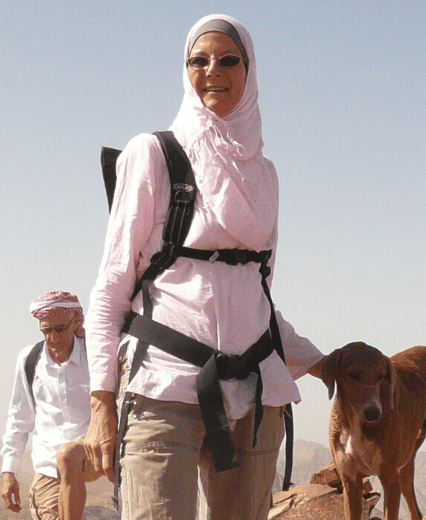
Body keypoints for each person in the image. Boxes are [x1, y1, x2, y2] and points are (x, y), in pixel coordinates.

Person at [82, 14, 325, 520]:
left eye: (227, 59)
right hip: (162, 386)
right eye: (199, 59)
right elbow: (110, 291)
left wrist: (324, 363)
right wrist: (101, 406)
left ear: (249, 70)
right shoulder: (152, 154)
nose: (212, 69)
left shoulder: (265, 175)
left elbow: (257, 299)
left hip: (255, 396)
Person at [1, 290, 100, 520]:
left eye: (60, 329)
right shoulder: (30, 360)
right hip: (49, 465)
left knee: (68, 456)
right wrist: (9, 472)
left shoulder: (95, 356)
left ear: (75, 322)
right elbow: (19, 418)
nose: (53, 337)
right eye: (46, 330)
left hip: (95, 453)